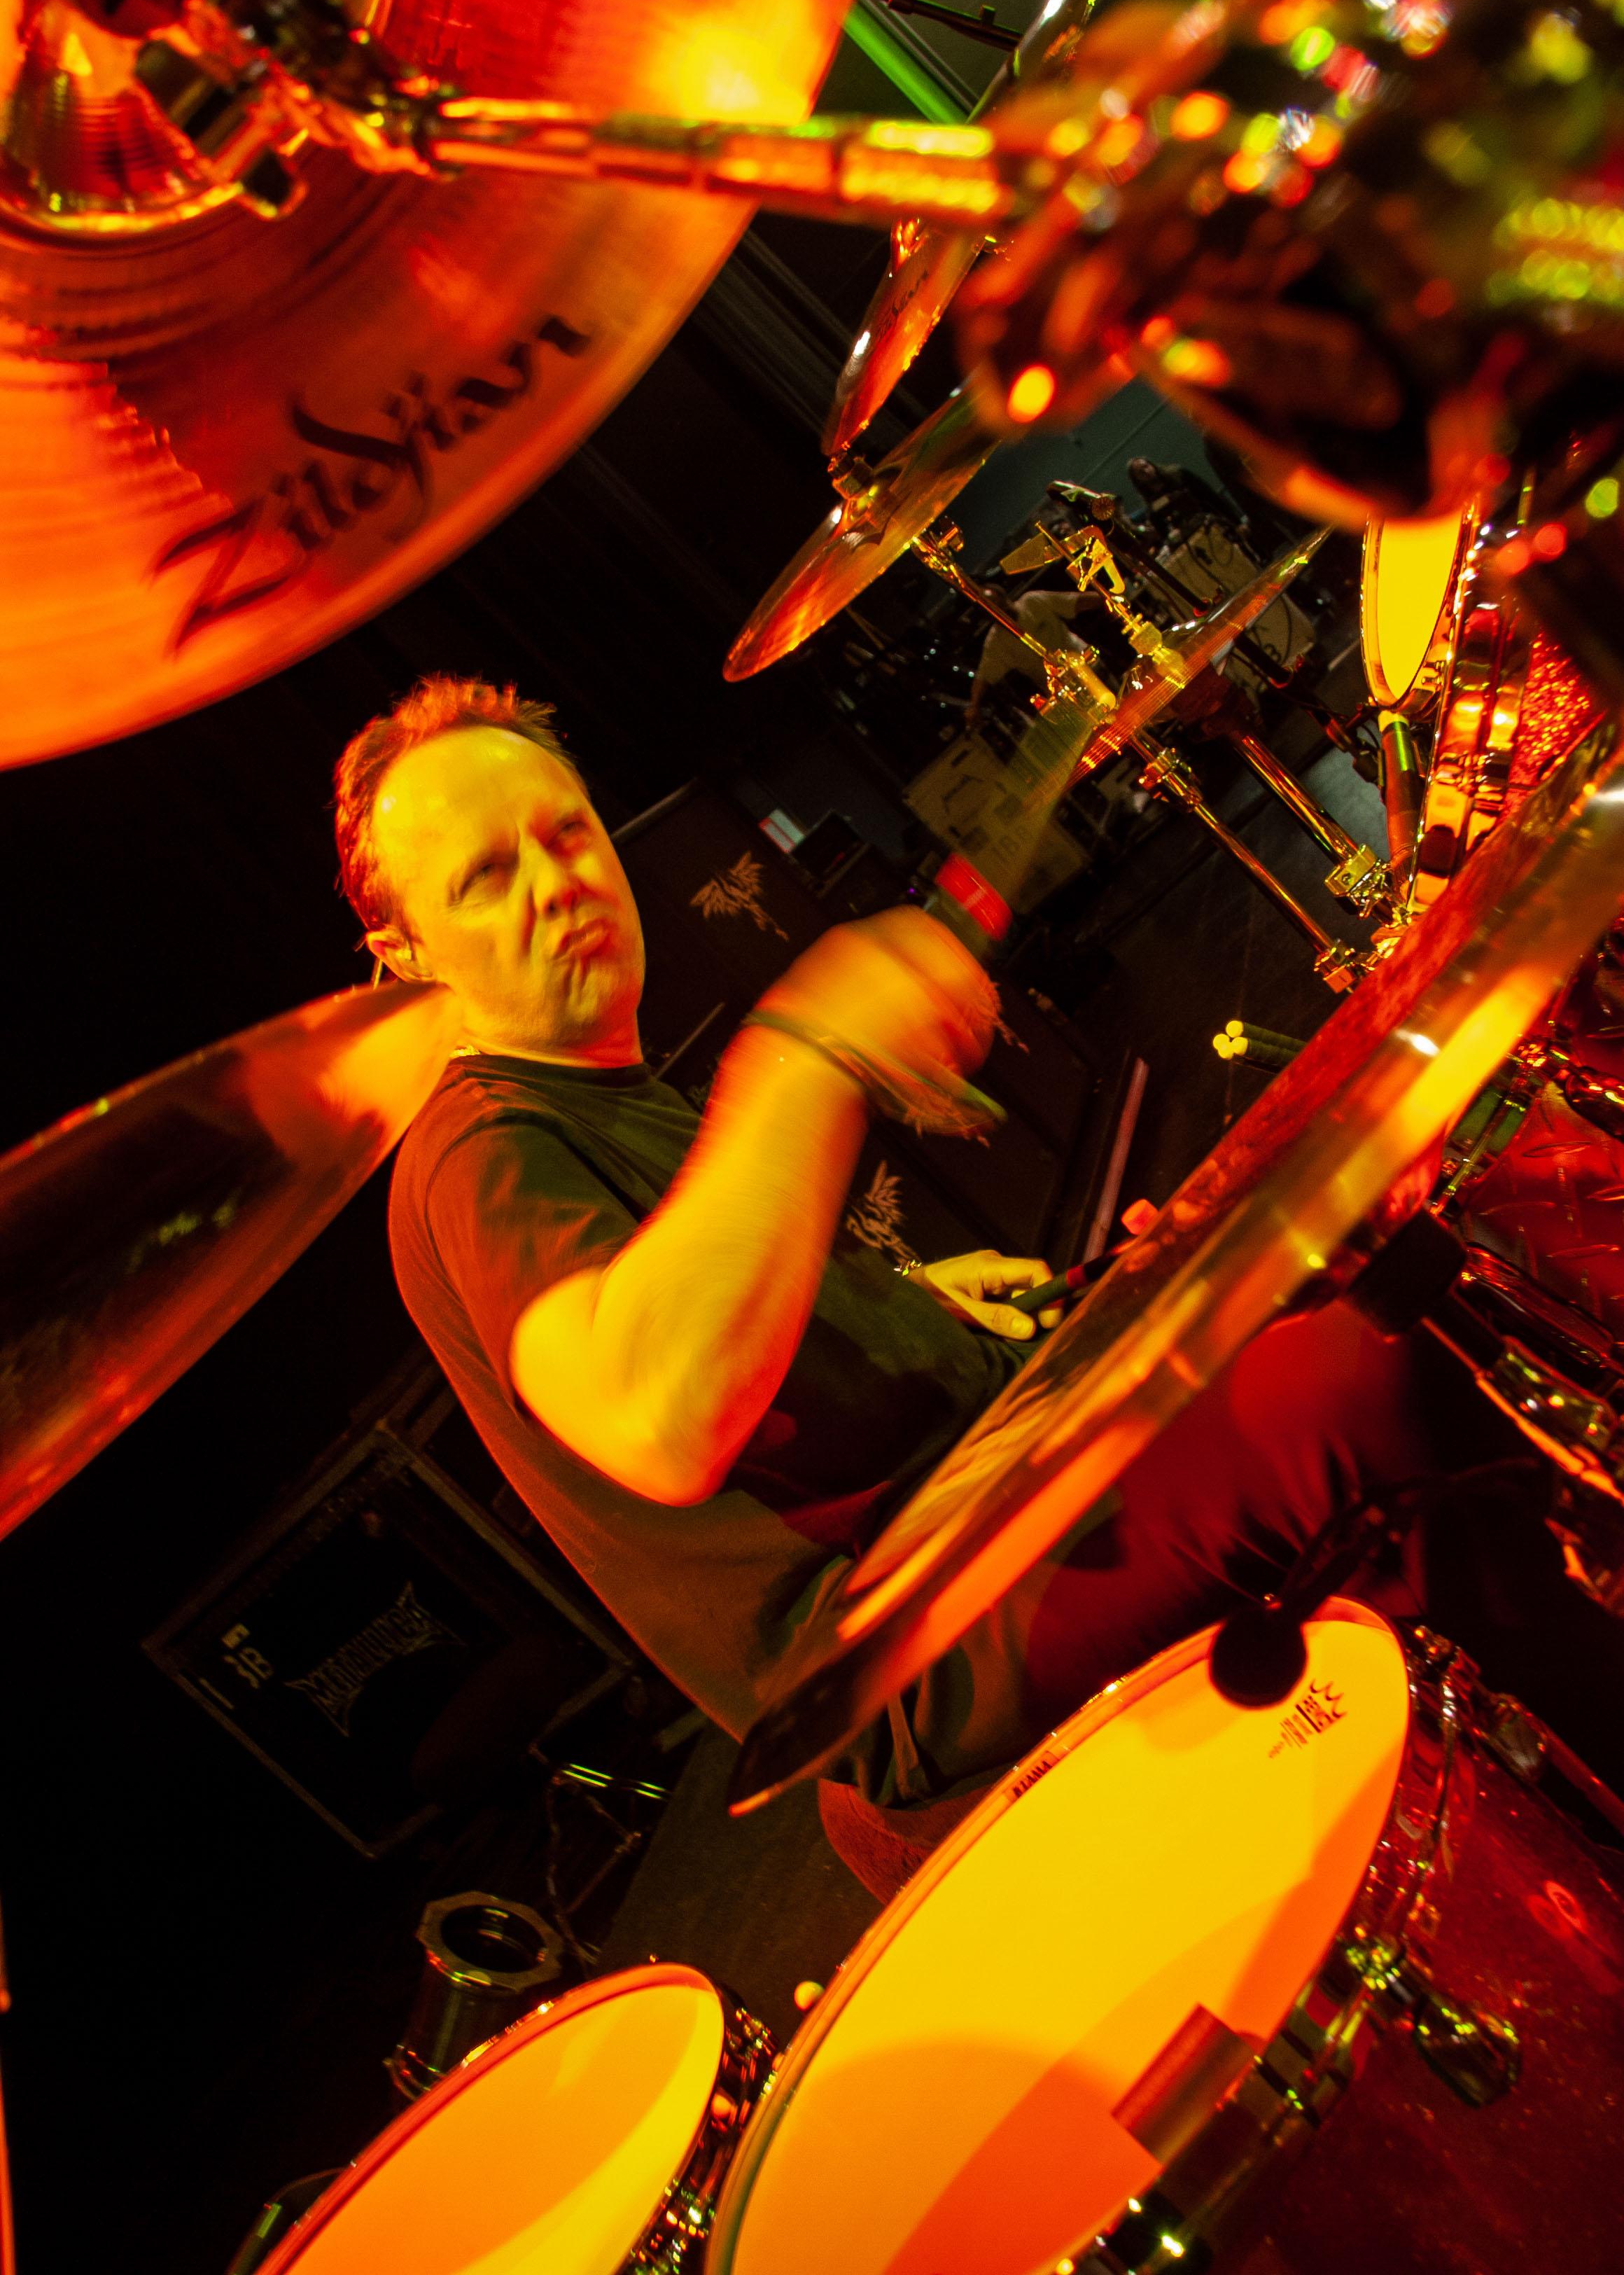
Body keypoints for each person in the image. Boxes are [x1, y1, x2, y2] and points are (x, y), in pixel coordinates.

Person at [337, 674, 1616, 1898]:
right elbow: (655, 1414)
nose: (556, 883)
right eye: (487, 877)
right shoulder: (472, 1149)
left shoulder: (596, 1092)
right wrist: (802, 1055)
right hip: (890, 1646)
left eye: (566, 833)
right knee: (1356, 1380)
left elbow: (721, 1336)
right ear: (405, 956)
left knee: (1330, 1248)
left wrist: (915, 1305)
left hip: (979, 1491)